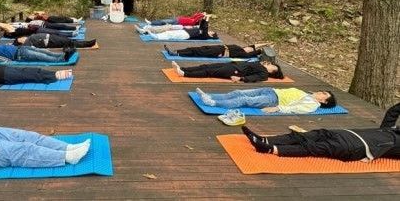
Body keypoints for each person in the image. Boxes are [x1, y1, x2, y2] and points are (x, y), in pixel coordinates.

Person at [241, 102, 400, 161]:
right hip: (350, 133)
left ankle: (270, 149)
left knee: (316, 147)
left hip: (359, 147)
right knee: (315, 134)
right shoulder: (390, 129)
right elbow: (393, 111)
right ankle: (268, 140)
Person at [195, 87, 336, 114]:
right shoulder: (308, 95)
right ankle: (210, 96)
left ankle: (213, 103)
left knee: (243, 99)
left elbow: (295, 109)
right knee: (237, 92)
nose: (320, 92)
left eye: (324, 94)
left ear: (324, 101)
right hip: (270, 90)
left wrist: (276, 108)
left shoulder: (311, 104)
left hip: (273, 99)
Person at [171, 59, 283, 82]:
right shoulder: (260, 65)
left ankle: (184, 74)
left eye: (273, 67)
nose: (271, 65)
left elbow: (255, 78)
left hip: (236, 71)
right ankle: (182, 68)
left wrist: (241, 78)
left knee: (209, 72)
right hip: (233, 65)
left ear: (272, 72)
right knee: (206, 66)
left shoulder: (264, 74)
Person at [0, 43, 76, 63]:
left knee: (45, 51)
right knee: (42, 56)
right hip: (19, 55)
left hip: (22, 48)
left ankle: (63, 55)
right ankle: (63, 59)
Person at [136, 15, 218, 41]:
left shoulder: (205, 36)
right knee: (167, 30)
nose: (210, 31)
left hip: (185, 34)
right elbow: (202, 25)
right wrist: (205, 17)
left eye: (211, 32)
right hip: (184, 30)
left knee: (169, 34)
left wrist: (207, 18)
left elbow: (205, 27)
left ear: (211, 36)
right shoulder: (202, 31)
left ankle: (156, 37)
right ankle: (147, 30)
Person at [163, 43, 273, 59]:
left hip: (218, 53)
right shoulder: (241, 47)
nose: (249, 47)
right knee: (194, 49)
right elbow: (256, 44)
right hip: (216, 47)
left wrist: (262, 49)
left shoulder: (244, 54)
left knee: (197, 53)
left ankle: (176, 53)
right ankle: (175, 50)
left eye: (250, 49)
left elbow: (257, 50)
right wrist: (267, 42)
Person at [0, 19, 78, 39]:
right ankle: (70, 34)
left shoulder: (15, 29)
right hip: (37, 32)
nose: (7, 28)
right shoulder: (13, 32)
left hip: (38, 29)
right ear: (8, 33)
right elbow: (6, 26)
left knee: (55, 32)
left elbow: (6, 25)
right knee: (54, 33)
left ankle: (70, 34)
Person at [13, 33, 96, 49]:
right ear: (20, 41)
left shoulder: (29, 38)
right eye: (20, 38)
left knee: (68, 41)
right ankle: (89, 44)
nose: (23, 37)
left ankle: (88, 43)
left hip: (51, 37)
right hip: (50, 41)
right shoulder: (27, 44)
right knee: (69, 42)